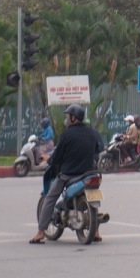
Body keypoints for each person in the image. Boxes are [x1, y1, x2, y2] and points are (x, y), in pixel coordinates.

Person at [30, 103, 104, 245]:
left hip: (69, 175)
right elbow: (97, 150)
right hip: (89, 173)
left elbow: (57, 157)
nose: (66, 119)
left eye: (67, 116)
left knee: (50, 197)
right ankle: (95, 231)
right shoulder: (92, 133)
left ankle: (40, 232)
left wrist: (49, 159)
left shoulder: (66, 134)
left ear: (73, 118)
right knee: (94, 195)